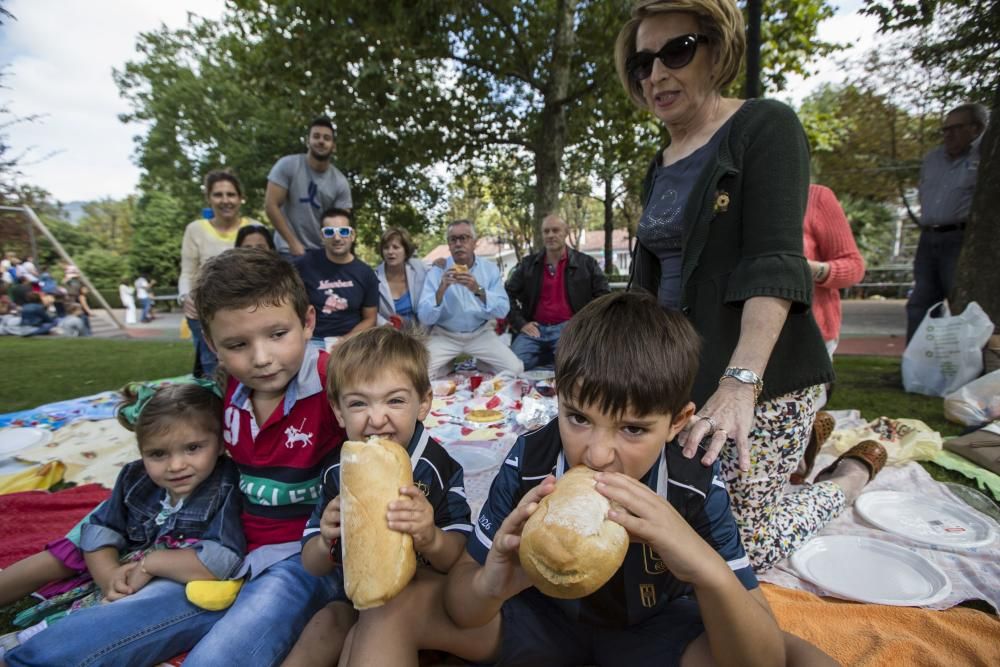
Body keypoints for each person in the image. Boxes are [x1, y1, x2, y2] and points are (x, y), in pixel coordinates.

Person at [341, 292, 833, 665]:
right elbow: (463, 607)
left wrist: (701, 564)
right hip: (541, 621)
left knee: (797, 654)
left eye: (634, 429)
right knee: (389, 610)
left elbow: (760, 657)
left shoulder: (692, 478)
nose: (597, 454)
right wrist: (494, 580)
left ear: (678, 422)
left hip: (654, 635)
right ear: (557, 399)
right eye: (577, 418)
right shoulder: (531, 459)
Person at [619, 0, 887, 570]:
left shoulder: (764, 125)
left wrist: (741, 386)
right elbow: (648, 286)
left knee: (743, 548)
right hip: (682, 378)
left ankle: (850, 474)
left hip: (762, 373)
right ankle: (798, 445)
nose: (657, 74)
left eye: (677, 51)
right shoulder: (660, 161)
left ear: (715, 51)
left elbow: (774, 261)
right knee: (665, 515)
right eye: (644, 62)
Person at [2, 381, 246, 664]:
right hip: (126, 564)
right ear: (141, 451)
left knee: (129, 609)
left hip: (171, 574)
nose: (176, 465)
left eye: (192, 448)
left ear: (220, 445)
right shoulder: (136, 477)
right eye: (158, 454)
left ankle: (41, 640)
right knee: (67, 555)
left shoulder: (228, 486)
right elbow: (99, 529)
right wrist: (108, 577)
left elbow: (220, 560)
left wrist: (149, 564)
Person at [282, 326, 475, 666]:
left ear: (423, 403)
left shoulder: (438, 467)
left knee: (362, 638)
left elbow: (458, 558)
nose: (376, 418)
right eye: (358, 403)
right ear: (339, 412)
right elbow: (311, 564)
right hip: (357, 599)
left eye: (395, 400)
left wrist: (430, 537)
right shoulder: (338, 470)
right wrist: (327, 538)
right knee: (324, 623)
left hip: (427, 605)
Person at [905, 102, 988, 343]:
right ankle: (915, 368)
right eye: (945, 129)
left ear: (977, 128)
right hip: (929, 237)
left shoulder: (985, 158)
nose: (948, 134)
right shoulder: (933, 159)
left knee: (962, 303)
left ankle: (962, 366)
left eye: (956, 128)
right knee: (920, 303)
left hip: (960, 238)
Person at [417, 220, 523, 377]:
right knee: (418, 374)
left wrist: (477, 289)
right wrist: (441, 289)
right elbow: (425, 317)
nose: (458, 244)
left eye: (464, 238)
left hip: (480, 333)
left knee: (516, 369)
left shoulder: (489, 269)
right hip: (446, 335)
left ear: (475, 243)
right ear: (449, 244)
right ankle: (446, 365)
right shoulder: (437, 271)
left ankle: (483, 362)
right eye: (453, 239)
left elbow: (502, 310)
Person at [178, 169, 257, 377]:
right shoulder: (195, 229)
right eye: (218, 194)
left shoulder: (254, 228)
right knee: (214, 369)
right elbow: (187, 272)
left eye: (231, 194)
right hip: (205, 309)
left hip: (245, 309)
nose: (225, 200)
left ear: (241, 198)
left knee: (248, 366)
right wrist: (185, 297)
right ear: (209, 199)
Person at [505, 213, 610, 370]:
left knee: (572, 368)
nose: (550, 235)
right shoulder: (528, 265)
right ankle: (552, 364)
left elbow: (604, 297)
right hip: (535, 329)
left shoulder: (586, 264)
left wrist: (583, 325)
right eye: (546, 231)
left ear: (566, 232)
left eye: (555, 230)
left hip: (568, 328)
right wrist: (521, 323)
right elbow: (505, 294)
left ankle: (553, 366)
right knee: (513, 367)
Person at [265, 116, 353, 257]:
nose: (321, 141)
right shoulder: (287, 166)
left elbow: (342, 224)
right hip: (287, 250)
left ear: (333, 146)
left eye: (326, 138)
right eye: (316, 136)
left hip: (322, 253)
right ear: (308, 141)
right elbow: (271, 206)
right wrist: (293, 243)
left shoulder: (340, 182)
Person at [294, 208, 378, 350]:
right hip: (311, 340)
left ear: (352, 235)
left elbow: (370, 318)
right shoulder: (303, 265)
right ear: (322, 236)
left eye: (343, 231)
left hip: (352, 342)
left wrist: (345, 341)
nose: (337, 238)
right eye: (329, 232)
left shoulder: (366, 273)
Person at [803, 184, 866, 358]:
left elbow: (854, 266)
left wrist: (814, 269)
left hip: (810, 334)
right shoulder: (731, 196)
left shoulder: (816, 197)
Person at [375, 227, 427, 328]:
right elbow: (368, 311)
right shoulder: (373, 277)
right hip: (386, 334)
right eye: (386, 247)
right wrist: (384, 324)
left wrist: (441, 262)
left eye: (396, 247)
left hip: (418, 334)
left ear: (406, 251)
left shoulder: (419, 269)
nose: (390, 252)